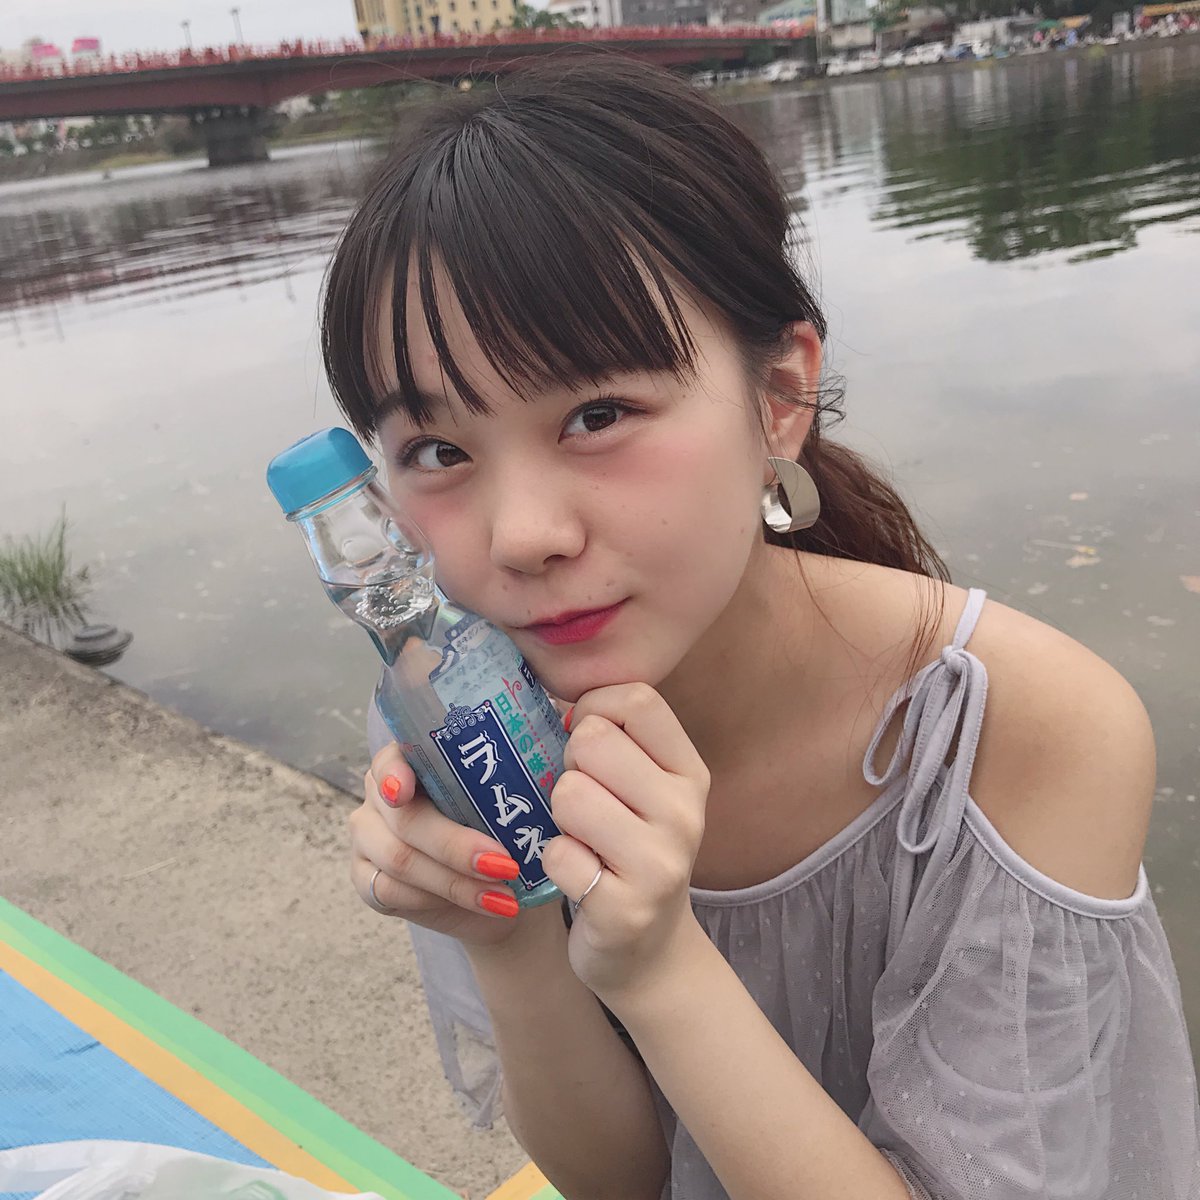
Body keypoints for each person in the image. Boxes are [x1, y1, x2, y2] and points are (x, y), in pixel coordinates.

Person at [319, 54, 1199, 1200]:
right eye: (439, 450)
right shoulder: (468, 723)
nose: (524, 535)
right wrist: (510, 936)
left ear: (779, 397)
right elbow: (623, 1183)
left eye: (598, 413)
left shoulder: (1020, 733)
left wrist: (659, 964)